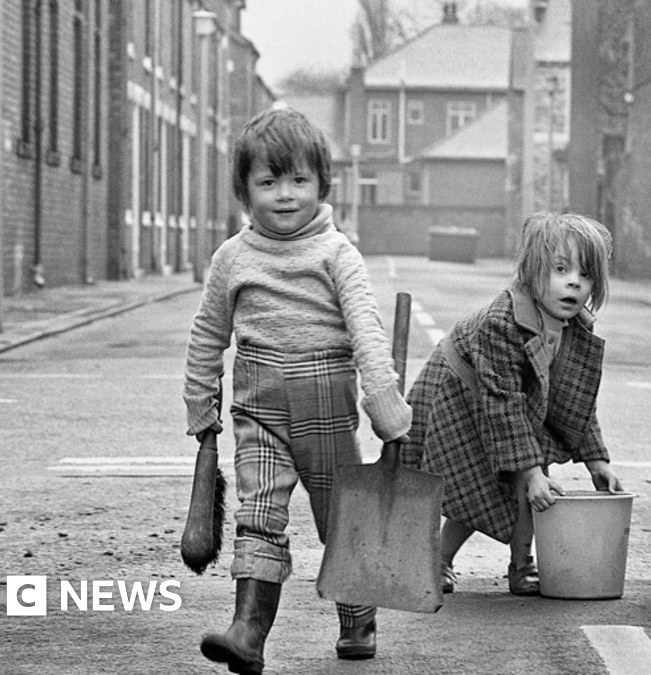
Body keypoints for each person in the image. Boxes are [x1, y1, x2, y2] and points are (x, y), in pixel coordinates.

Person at [183, 107, 410, 671]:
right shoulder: (232, 258)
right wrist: (199, 403)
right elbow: (208, 334)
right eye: (268, 181)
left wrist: (384, 403)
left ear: (321, 184)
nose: (285, 195)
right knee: (258, 513)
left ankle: (358, 618)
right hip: (255, 408)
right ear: (244, 190)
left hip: (326, 404)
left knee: (340, 518)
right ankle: (248, 634)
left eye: (298, 180)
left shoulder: (337, 254)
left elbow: (366, 329)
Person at [400, 212, 624, 596]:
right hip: (460, 393)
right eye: (560, 268)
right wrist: (530, 470)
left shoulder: (577, 325)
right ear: (532, 270)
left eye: (585, 275)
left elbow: (575, 396)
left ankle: (522, 567)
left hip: (508, 400)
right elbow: (503, 403)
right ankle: (438, 559)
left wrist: (596, 460)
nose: (574, 281)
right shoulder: (501, 323)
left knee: (531, 485)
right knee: (478, 485)